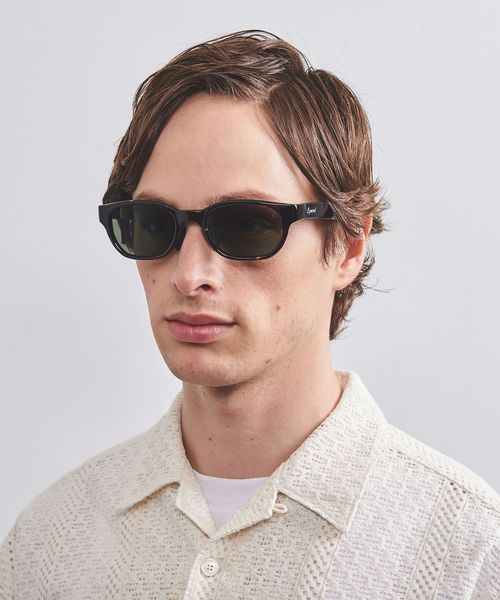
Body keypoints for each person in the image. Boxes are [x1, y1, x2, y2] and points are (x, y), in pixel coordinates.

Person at [1, 29, 498, 599]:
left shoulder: (467, 554)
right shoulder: (46, 545)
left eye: (246, 225)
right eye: (153, 225)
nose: (189, 274)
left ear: (348, 246)